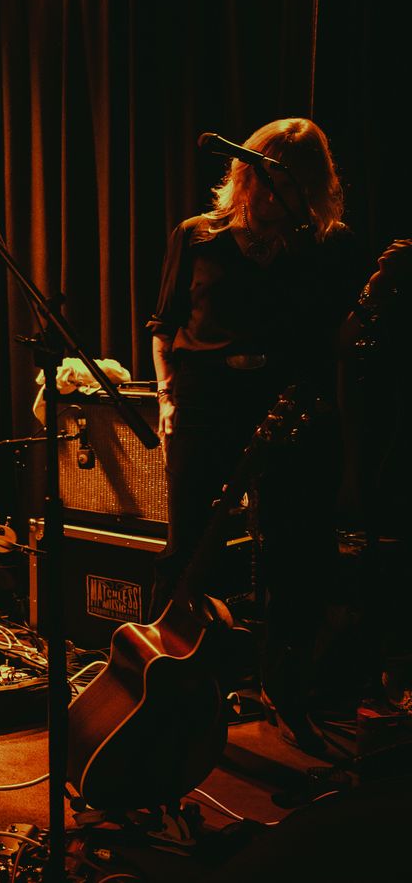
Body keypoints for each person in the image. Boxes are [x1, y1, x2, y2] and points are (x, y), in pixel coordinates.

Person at [148, 116, 365, 752]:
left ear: (311, 188)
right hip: (206, 404)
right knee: (190, 548)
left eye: (288, 185)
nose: (273, 196)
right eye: (264, 180)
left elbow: (341, 337)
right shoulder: (197, 235)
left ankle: (285, 692)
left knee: (297, 552)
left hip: (291, 408)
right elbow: (165, 327)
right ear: (244, 175)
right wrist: (166, 399)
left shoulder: (327, 247)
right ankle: (166, 689)